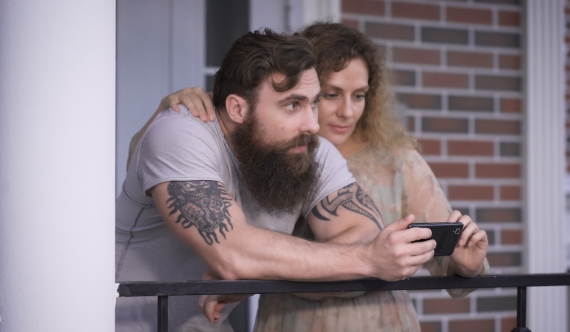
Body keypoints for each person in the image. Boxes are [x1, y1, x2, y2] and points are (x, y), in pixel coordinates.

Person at [153, 23, 489, 331]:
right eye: (330, 95)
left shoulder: (388, 161)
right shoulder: (267, 153)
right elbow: (234, 249)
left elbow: (439, 260)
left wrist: (253, 270)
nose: (347, 111)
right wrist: (163, 114)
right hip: (289, 321)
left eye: (359, 95)